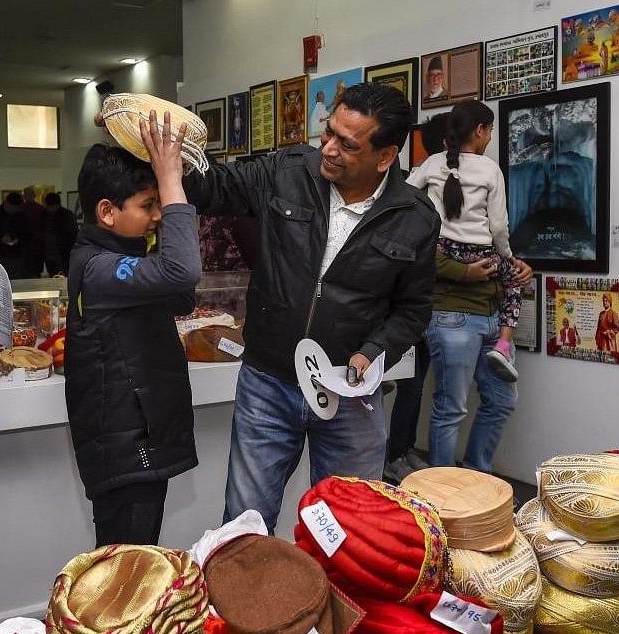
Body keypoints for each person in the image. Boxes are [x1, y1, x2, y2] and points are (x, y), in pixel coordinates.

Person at [183, 82, 439, 533]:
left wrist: (374, 350)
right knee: (245, 524)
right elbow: (213, 186)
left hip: (350, 396)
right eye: (329, 133)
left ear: (385, 157)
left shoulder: (415, 217)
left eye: (348, 143)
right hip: (268, 382)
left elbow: (413, 310)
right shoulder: (289, 170)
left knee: (349, 530)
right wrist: (157, 146)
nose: (330, 149)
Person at [66, 111, 201, 547]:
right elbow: (183, 273)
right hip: (125, 447)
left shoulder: (124, 255)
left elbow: (180, 296)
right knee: (127, 566)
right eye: (148, 205)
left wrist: (155, 223)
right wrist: (169, 179)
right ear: (106, 212)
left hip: (139, 436)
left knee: (133, 561)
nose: (159, 214)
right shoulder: (100, 269)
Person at [407, 100, 533, 473]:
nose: (490, 137)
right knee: (452, 407)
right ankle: (445, 496)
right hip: (451, 313)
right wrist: (508, 259)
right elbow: (498, 228)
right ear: (479, 130)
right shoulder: (489, 170)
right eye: (489, 130)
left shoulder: (428, 166)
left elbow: (403, 207)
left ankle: (476, 482)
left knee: (497, 401)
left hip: (487, 311)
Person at [383, 112, 449, 483]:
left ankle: (401, 450)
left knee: (415, 381)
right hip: (411, 305)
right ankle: (395, 454)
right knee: (409, 381)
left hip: (422, 304)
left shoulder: (419, 181)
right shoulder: (416, 189)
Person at [32, 191, 77, 277]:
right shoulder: (43, 215)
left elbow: (73, 235)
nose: (50, 208)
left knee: (63, 276)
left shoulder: (66, 215)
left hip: (62, 253)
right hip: (49, 253)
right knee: (53, 275)